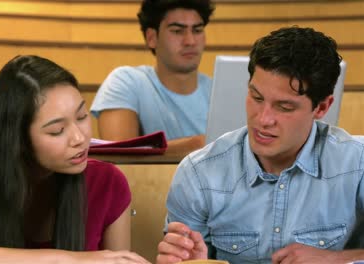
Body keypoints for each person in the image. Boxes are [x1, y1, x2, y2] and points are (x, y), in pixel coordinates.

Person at [156, 26, 364, 264]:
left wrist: (337, 259)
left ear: (322, 107)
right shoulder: (198, 173)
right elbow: (183, 260)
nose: (263, 119)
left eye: (284, 107)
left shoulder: (357, 163)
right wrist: (189, 261)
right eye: (256, 98)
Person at [0, 55, 149, 263]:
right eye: (57, 130)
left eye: (81, 116)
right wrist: (70, 260)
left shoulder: (107, 182)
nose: (79, 138)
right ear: (17, 140)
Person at [90, 0, 215, 154]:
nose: (190, 41)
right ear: (152, 38)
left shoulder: (219, 90)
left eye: (197, 30)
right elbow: (120, 158)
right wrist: (195, 146)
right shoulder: (125, 81)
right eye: (177, 31)